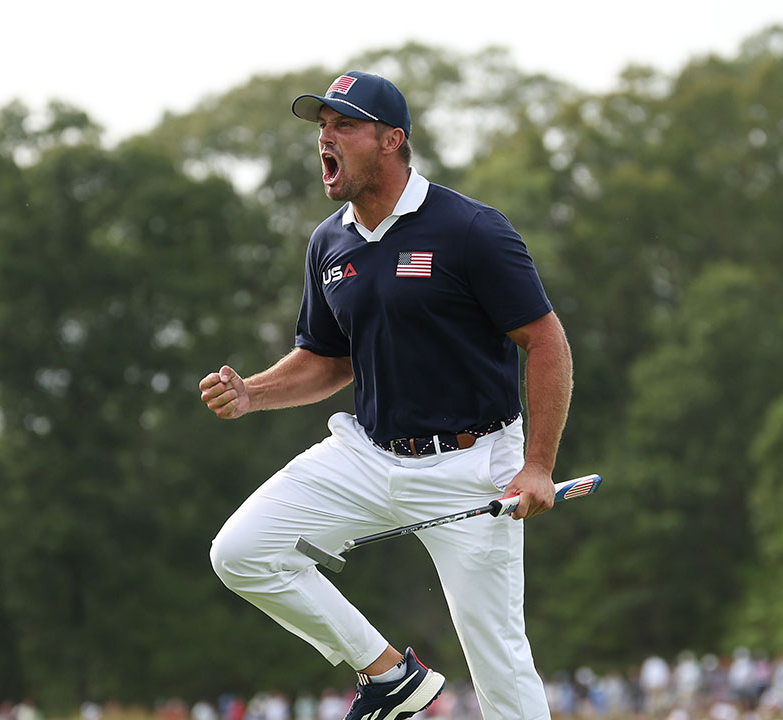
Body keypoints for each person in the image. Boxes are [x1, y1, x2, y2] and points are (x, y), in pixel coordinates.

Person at [201, 70, 573, 720]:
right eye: (322, 127)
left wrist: (538, 464)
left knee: (499, 661)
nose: (326, 138)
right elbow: (327, 359)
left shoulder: (470, 228)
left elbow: (546, 342)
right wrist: (252, 393)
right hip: (367, 455)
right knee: (241, 552)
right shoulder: (328, 242)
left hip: (472, 465)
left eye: (344, 125)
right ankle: (388, 675)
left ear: (392, 140)